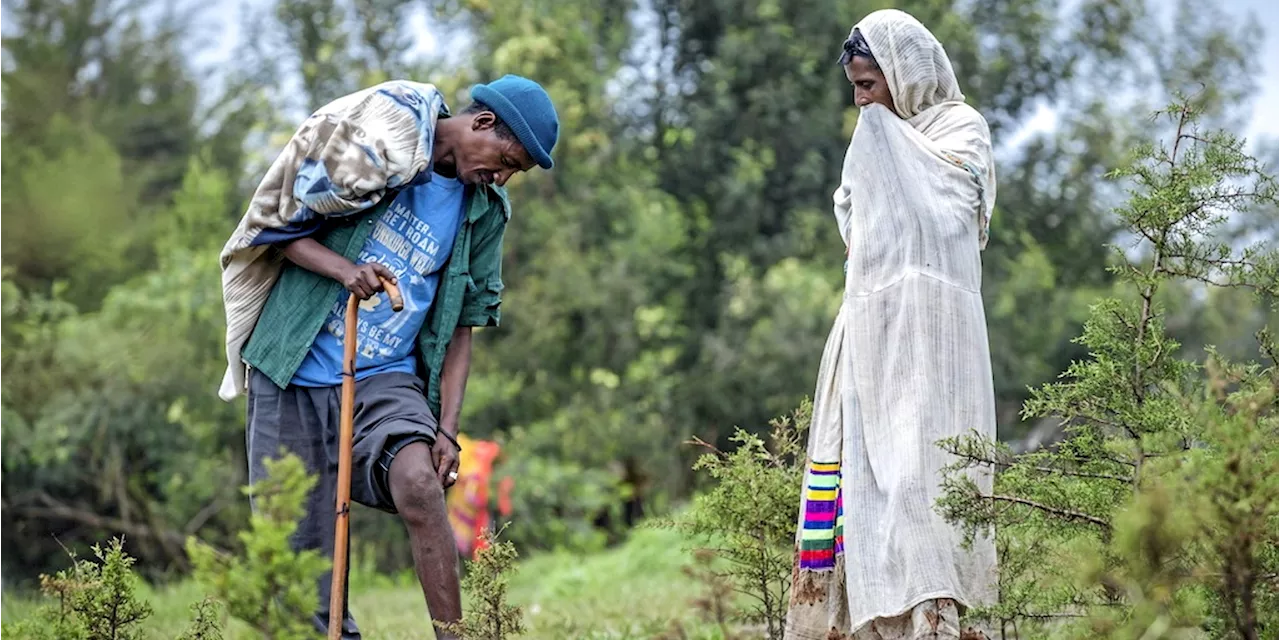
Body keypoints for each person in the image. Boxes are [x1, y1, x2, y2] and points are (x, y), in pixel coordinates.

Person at [216, 75, 559, 639]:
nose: (501, 177)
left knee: (420, 483)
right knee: (298, 564)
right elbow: (279, 231)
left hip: (384, 378)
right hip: (292, 369)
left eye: (513, 173)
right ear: (481, 123)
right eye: (504, 159)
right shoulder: (380, 150)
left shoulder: (485, 211)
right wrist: (345, 271)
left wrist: (447, 430)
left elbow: (462, 328)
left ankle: (455, 636)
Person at [784, 9, 998, 640]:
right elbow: (856, 232)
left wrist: (886, 143)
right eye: (854, 87)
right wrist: (877, 138)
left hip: (937, 336)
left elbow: (950, 215)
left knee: (922, 479)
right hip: (872, 332)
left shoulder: (962, 129)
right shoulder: (868, 140)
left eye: (869, 85)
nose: (860, 100)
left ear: (903, 76)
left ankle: (930, 625)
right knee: (863, 479)